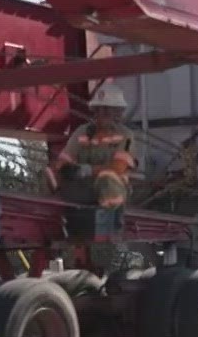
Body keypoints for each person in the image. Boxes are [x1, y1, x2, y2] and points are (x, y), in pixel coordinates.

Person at [47, 81, 137, 233]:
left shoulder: (126, 136)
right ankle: (61, 214)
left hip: (112, 190)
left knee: (107, 177)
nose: (102, 114)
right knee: (50, 173)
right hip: (85, 189)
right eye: (99, 109)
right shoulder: (82, 132)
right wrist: (62, 168)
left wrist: (87, 170)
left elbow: (118, 167)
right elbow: (65, 158)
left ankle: (108, 220)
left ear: (118, 112)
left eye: (107, 110)